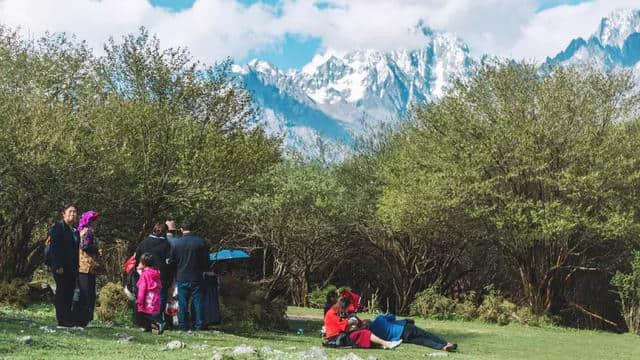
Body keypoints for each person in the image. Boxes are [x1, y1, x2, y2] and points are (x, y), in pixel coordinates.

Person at [169, 221, 209, 331]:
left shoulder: (177, 243)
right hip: (197, 276)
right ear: (193, 229)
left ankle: (183, 325)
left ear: (181, 229)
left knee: (183, 302)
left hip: (182, 276)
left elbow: (172, 261)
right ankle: (199, 325)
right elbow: (206, 261)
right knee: (198, 302)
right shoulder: (201, 242)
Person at [324, 296, 402, 349]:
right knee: (364, 333)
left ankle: (382, 344)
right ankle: (387, 344)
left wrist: (355, 325)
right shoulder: (331, 314)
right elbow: (344, 325)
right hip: (336, 338)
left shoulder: (336, 312)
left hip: (341, 335)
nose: (345, 311)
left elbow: (343, 326)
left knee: (363, 332)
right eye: (345, 309)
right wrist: (353, 321)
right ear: (342, 307)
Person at [48, 203, 80, 327]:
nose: (73, 214)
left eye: (75, 212)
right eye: (71, 211)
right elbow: (55, 248)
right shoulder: (58, 227)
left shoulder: (75, 231)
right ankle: (61, 319)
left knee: (70, 292)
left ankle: (68, 318)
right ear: (64, 214)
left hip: (72, 267)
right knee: (62, 291)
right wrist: (57, 265)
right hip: (61, 266)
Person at [135, 223, 172, 325]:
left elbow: (137, 257)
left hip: (145, 274)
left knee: (145, 297)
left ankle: (146, 321)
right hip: (161, 275)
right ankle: (157, 319)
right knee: (159, 297)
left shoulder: (144, 242)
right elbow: (170, 261)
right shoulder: (166, 245)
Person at [368, 313, 457, 352]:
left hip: (401, 338)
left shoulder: (373, 335)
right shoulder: (379, 318)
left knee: (423, 341)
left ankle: (443, 347)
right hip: (404, 328)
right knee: (426, 335)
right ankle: (446, 343)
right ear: (367, 322)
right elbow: (392, 316)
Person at [76, 210, 101, 327]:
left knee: (87, 293)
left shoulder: (82, 231)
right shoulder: (87, 232)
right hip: (85, 267)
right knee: (87, 294)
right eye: (95, 220)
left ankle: (84, 318)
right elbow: (85, 246)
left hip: (85, 267)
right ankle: (83, 319)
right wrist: (97, 250)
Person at [136, 253, 166, 334]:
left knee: (145, 314)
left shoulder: (145, 274)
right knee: (152, 314)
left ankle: (159, 324)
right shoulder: (155, 273)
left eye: (140, 262)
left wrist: (140, 300)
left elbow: (142, 288)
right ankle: (151, 329)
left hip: (147, 298)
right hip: (155, 297)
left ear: (144, 264)